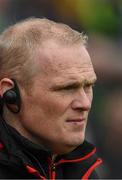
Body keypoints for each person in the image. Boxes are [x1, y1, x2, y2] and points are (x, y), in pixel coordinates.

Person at [0, 17, 102, 179]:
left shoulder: (85, 171)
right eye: (67, 88)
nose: (84, 104)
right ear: (10, 94)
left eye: (88, 86)